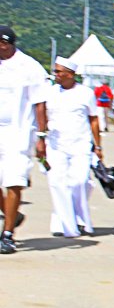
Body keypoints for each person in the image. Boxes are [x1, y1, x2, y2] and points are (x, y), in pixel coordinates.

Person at [0, 25, 48, 254]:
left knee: (13, 180)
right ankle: (13, 214)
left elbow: (40, 104)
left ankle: (8, 235)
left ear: (8, 43)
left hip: (18, 133)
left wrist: (41, 136)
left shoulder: (29, 67)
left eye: (3, 44)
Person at [44, 57, 102, 237]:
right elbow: (42, 115)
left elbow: (93, 119)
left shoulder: (86, 93)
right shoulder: (50, 92)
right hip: (55, 145)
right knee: (58, 183)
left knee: (79, 181)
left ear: (70, 74)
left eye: (59, 72)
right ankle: (63, 224)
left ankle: (80, 219)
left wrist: (98, 145)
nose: (56, 75)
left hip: (80, 144)